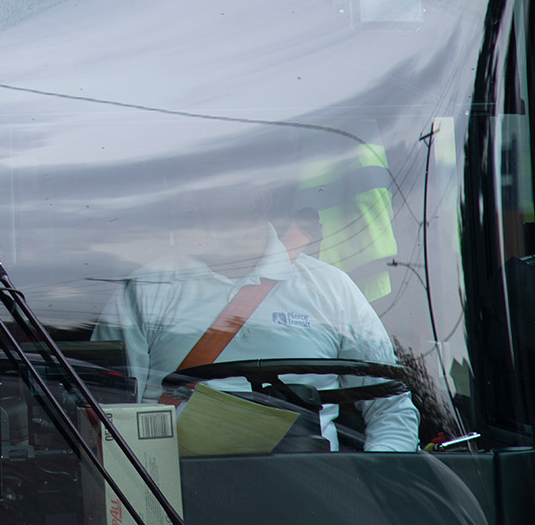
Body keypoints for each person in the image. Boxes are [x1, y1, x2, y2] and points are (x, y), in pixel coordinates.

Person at [91, 184, 419, 452]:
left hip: (313, 499)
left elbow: (390, 409)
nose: (188, 200)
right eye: (188, 186)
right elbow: (101, 414)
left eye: (207, 187)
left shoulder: (331, 289)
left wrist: (371, 484)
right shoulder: (145, 290)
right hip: (172, 497)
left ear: (258, 201)